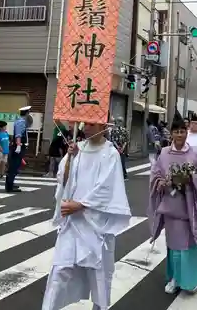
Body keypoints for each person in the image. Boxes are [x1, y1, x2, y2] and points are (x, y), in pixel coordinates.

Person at [41, 122, 131, 310]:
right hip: (72, 224)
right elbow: (62, 178)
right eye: (85, 123)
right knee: (60, 271)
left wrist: (80, 205)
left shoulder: (110, 153)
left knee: (98, 272)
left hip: (96, 225)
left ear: (103, 125)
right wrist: (69, 159)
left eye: (91, 123)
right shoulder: (77, 148)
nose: (86, 127)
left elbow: (107, 187)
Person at [149, 118, 197, 295]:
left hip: (189, 206)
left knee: (189, 244)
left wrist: (191, 178)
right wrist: (161, 182)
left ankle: (191, 279)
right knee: (174, 245)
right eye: (176, 131)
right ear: (171, 133)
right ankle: (175, 277)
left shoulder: (196, 154)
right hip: (171, 206)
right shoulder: (163, 153)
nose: (179, 135)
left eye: (182, 131)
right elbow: (155, 175)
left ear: (187, 133)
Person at [5, 106, 31, 193]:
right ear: (27, 113)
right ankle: (9, 186)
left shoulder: (19, 121)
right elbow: (18, 135)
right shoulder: (21, 122)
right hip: (18, 147)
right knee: (14, 166)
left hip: (17, 146)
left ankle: (10, 184)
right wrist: (19, 146)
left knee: (14, 166)